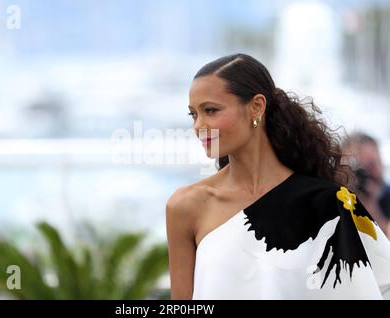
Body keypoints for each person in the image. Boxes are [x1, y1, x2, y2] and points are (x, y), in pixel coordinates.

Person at [165, 53, 390, 299]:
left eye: (210, 110)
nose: (198, 126)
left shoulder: (328, 203)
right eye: (193, 115)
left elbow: (378, 284)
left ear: (256, 107)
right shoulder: (186, 206)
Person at [341, 132, 390, 237]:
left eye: (372, 163)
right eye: (356, 169)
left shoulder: (387, 196)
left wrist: (372, 209)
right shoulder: (339, 199)